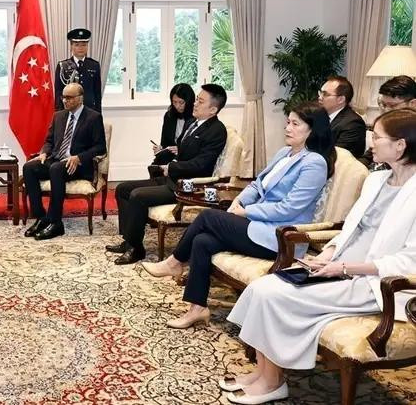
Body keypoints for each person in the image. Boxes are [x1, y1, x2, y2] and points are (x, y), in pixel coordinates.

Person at [220, 108, 416, 404]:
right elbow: (350, 228)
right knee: (262, 287)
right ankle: (264, 374)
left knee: (274, 296)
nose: (370, 143)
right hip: (338, 266)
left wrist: (345, 267)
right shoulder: (377, 180)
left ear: (400, 145)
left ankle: (273, 383)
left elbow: (409, 261)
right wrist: (328, 252)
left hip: (375, 283)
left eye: (376, 137)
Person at [143, 102, 334, 331]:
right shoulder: (285, 153)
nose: (288, 128)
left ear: (312, 130)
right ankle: (197, 309)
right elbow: (258, 183)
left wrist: (247, 211)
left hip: (279, 237)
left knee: (208, 217)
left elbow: (289, 209)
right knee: (202, 241)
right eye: (287, 122)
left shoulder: (315, 163)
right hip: (258, 225)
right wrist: (240, 200)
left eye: (295, 124)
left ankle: (175, 263)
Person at [107, 84, 228, 265]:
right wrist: (165, 155)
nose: (194, 104)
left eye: (200, 101)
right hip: (172, 178)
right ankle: (129, 240)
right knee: (123, 189)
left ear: (213, 109)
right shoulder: (192, 123)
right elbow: (184, 152)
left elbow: (201, 165)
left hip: (187, 186)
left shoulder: (216, 130)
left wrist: (171, 167)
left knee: (137, 195)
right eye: (196, 99)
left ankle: (136, 249)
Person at [23, 83, 107, 240]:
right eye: (63, 97)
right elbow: (49, 140)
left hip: (78, 165)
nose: (65, 101)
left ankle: (56, 223)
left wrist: (79, 157)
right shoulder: (59, 116)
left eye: (69, 98)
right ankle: (42, 218)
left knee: (56, 169)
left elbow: (101, 147)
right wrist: (44, 153)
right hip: (56, 159)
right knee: (29, 168)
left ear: (80, 99)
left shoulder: (93, 117)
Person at [358, 75, 416, 168]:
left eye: (392, 105)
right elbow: (368, 156)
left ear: (413, 104)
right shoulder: (386, 125)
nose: (386, 110)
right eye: (384, 105)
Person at [54, 28, 102, 112]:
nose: (81, 48)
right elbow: (58, 93)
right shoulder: (63, 66)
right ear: (71, 46)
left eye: (84, 45)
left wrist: (98, 115)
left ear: (87, 46)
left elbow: (97, 94)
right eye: (77, 45)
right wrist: (59, 114)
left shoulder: (94, 65)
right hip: (69, 110)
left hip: (89, 111)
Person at [319, 75, 366, 158]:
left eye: (325, 94)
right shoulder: (319, 116)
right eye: (320, 93)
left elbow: (336, 157)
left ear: (340, 99)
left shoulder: (353, 124)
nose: (320, 97)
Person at [152, 83, 196, 165]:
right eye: (174, 102)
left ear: (189, 101)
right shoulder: (169, 116)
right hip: (171, 156)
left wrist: (180, 149)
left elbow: (197, 146)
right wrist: (160, 149)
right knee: (156, 164)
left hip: (187, 158)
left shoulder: (196, 118)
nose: (177, 106)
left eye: (181, 102)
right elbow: (164, 143)